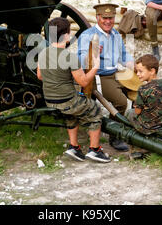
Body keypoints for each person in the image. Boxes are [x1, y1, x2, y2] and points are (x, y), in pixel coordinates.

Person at [37, 17, 111, 163]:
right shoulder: (69, 56)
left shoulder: (43, 53)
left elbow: (40, 76)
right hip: (66, 100)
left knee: (71, 113)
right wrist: (95, 66)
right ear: (66, 35)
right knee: (95, 110)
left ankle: (74, 147)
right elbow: (83, 81)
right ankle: (95, 150)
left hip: (50, 100)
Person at [78, 3, 134, 151]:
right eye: (104, 18)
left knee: (140, 90)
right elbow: (81, 59)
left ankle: (138, 125)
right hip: (98, 77)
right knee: (121, 102)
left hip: (115, 73)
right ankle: (114, 136)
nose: (108, 21)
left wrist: (131, 63)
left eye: (111, 18)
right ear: (97, 18)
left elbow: (123, 54)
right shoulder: (87, 36)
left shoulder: (115, 34)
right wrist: (92, 52)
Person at [126, 54, 162, 135]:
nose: (137, 74)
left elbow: (137, 111)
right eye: (136, 71)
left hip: (146, 128)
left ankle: (132, 136)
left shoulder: (143, 89)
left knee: (129, 112)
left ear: (152, 71)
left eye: (140, 71)